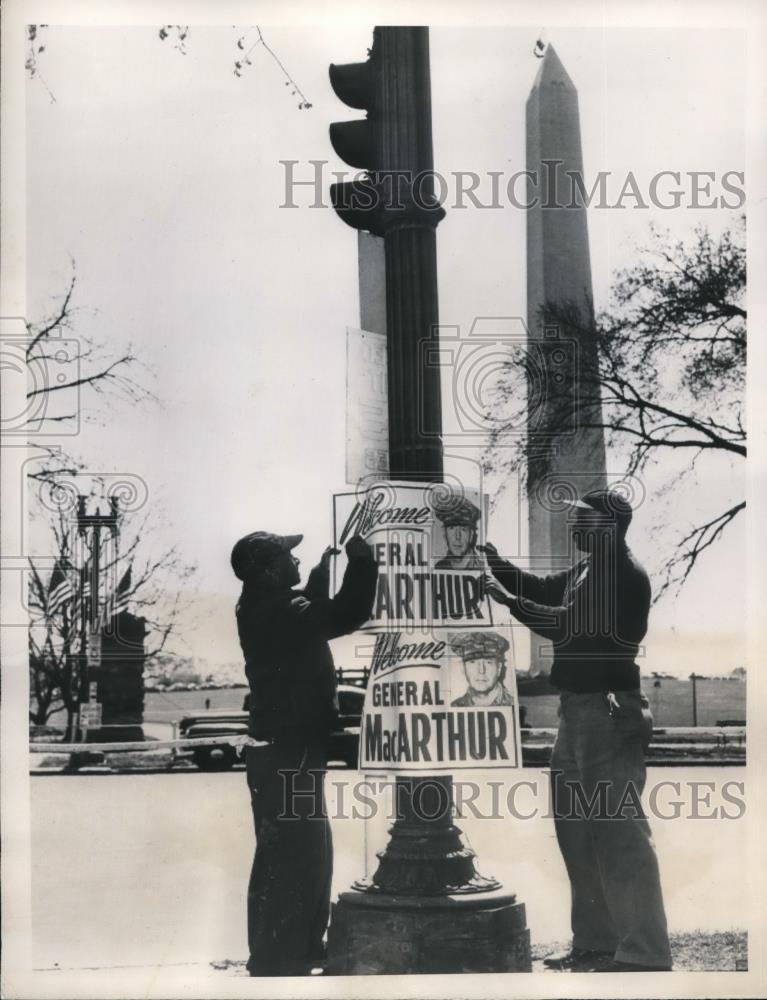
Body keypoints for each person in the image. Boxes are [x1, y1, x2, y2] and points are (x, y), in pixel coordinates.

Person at [480, 489, 672, 973]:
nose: (573, 527)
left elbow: (569, 625)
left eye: (582, 519)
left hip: (607, 712)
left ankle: (645, 953)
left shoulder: (623, 574)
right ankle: (596, 943)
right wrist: (496, 562)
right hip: (578, 711)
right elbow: (546, 590)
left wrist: (508, 601)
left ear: (609, 525)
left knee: (617, 833)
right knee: (578, 832)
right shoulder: (589, 569)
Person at [231, 529, 377, 977]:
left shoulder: (263, 604)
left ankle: (296, 949)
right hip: (287, 751)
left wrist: (316, 577)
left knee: (303, 855)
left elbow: (304, 620)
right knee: (296, 857)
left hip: (285, 749)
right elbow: (344, 615)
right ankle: (279, 959)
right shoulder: (277, 608)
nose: (296, 560)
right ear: (268, 569)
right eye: (288, 556)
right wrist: (362, 563)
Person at [449, 631, 515, 706]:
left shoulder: (515, 706)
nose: (481, 670)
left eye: (488, 662)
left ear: (499, 668)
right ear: (463, 668)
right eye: (472, 662)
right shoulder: (455, 707)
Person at [433, 496, 484, 569]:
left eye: (463, 529)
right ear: (445, 534)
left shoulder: (483, 570)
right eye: (452, 528)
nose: (457, 536)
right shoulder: (438, 568)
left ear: (471, 535)